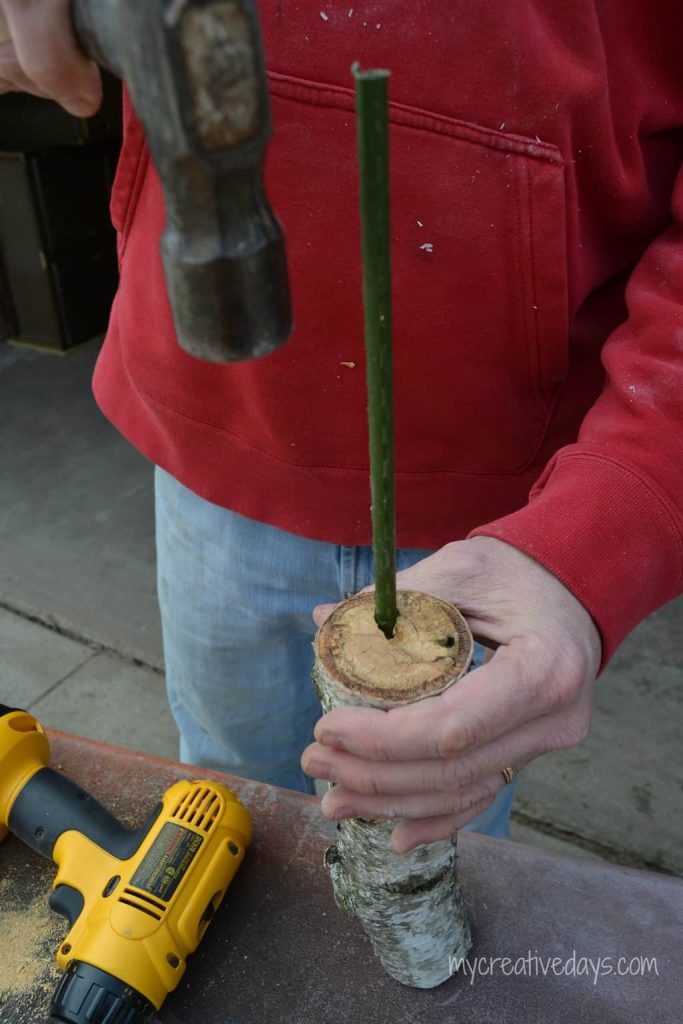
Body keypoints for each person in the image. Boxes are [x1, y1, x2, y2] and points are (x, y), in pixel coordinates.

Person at [2, 1, 682, 855]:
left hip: (507, 518)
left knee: (433, 843)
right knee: (226, 810)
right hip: (214, 452)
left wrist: (603, 531)